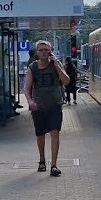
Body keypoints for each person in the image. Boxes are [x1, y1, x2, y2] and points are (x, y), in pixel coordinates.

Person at [23, 40, 70, 176]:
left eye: (46, 50)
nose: (44, 52)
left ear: (50, 51)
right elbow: (26, 88)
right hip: (39, 106)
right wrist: (30, 101)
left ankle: (54, 164)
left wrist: (57, 65)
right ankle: (42, 160)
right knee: (40, 134)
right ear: (37, 52)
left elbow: (66, 81)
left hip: (55, 104)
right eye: (41, 50)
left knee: (55, 133)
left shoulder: (56, 65)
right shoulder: (33, 68)